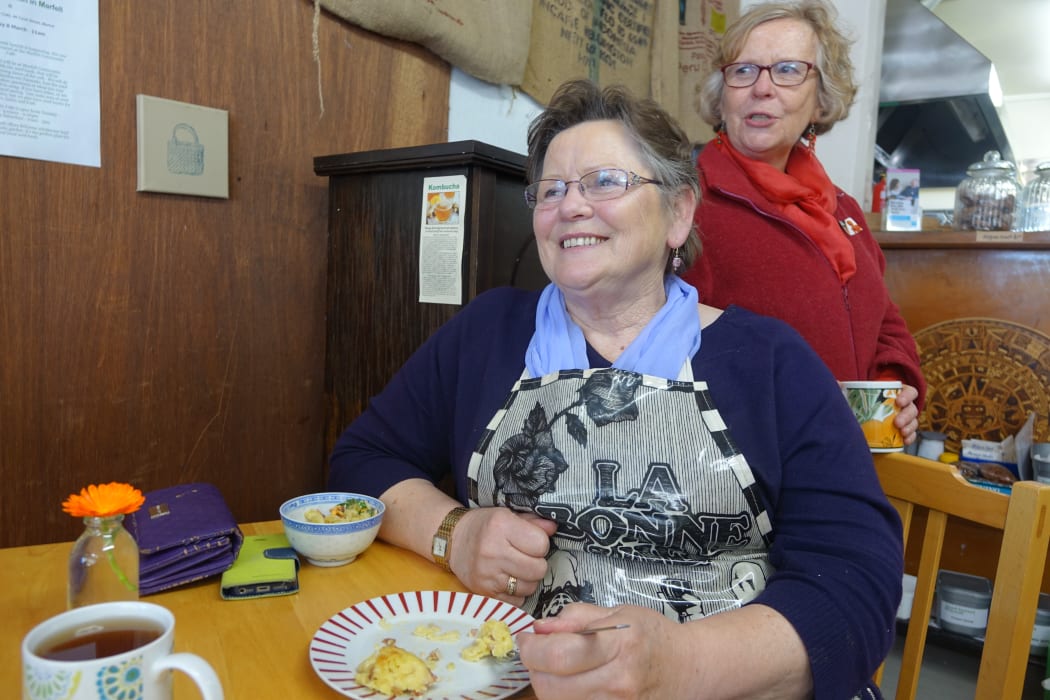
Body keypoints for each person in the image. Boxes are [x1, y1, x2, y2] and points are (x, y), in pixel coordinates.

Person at [329, 78, 903, 699]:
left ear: (678, 214)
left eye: (605, 182)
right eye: (551, 190)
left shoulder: (772, 362)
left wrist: (687, 664)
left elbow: (856, 583)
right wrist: (455, 533)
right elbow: (361, 462)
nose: (571, 206)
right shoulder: (486, 332)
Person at [682, 0, 925, 445]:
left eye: (789, 70)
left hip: (847, 459)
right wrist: (797, 397)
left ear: (820, 98)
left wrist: (895, 386)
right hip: (742, 473)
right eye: (743, 71)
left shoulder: (844, 209)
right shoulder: (686, 201)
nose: (762, 88)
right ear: (722, 94)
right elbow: (658, 341)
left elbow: (886, 321)